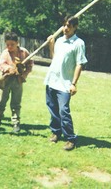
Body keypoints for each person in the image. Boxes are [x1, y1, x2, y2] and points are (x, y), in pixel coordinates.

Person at [44, 15, 88, 151]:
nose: (65, 28)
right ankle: (56, 132)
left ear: (75, 27)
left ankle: (70, 138)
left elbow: (80, 64)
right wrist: (51, 46)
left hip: (65, 83)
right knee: (53, 108)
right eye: (64, 25)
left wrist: (74, 83)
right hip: (52, 80)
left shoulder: (78, 43)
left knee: (64, 110)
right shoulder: (59, 41)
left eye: (69, 26)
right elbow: (54, 58)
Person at [0, 32, 33, 133]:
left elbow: (30, 64)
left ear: (17, 43)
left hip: (18, 81)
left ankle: (16, 122)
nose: (10, 47)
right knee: (1, 100)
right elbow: (1, 64)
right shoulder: (5, 53)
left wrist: (24, 74)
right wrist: (8, 68)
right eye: (7, 45)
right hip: (6, 80)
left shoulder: (24, 52)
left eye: (12, 44)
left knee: (16, 102)